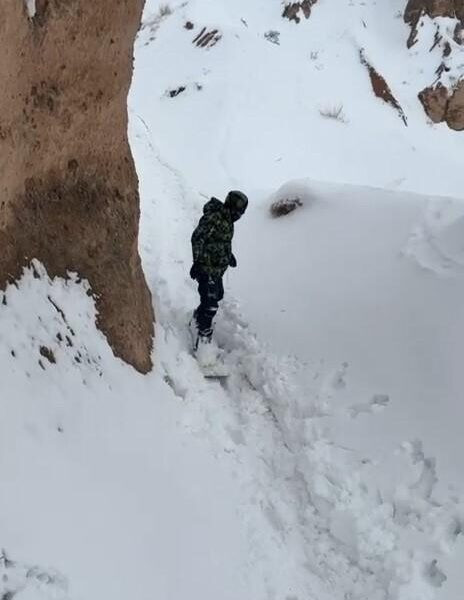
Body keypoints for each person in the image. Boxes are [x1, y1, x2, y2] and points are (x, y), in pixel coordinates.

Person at [189, 190, 248, 351]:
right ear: (230, 206)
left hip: (217, 269)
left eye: (241, 214)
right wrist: (197, 262)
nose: (238, 216)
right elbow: (197, 238)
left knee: (218, 295)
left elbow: (223, 241)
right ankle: (202, 337)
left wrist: (229, 255)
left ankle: (197, 318)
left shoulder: (228, 221)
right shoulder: (214, 218)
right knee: (211, 304)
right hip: (206, 266)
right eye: (237, 212)